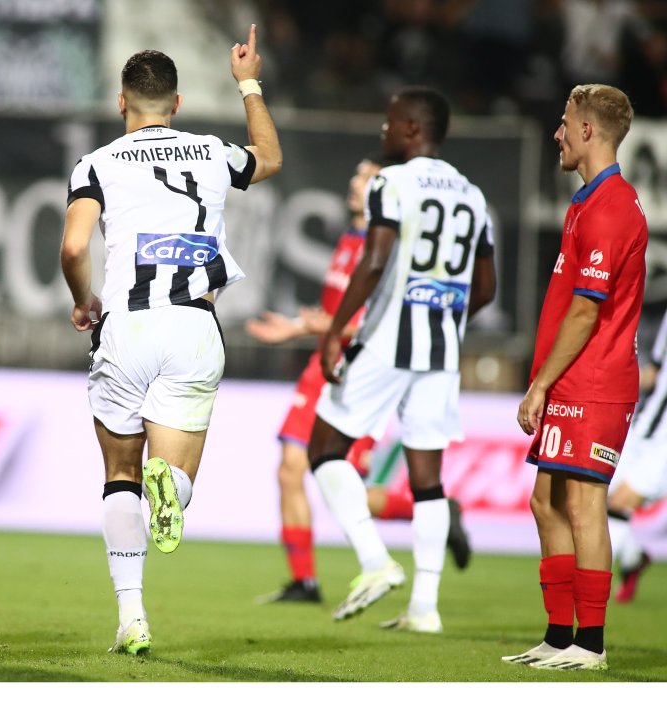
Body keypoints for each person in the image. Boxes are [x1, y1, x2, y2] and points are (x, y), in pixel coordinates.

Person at [60, 25, 282, 655]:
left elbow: (74, 246)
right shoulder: (211, 152)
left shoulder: (96, 163)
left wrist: (82, 299)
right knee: (173, 480)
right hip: (192, 324)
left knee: (119, 476)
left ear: (121, 101)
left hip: (125, 326)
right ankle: (173, 490)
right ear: (178, 104)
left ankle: (132, 618)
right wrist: (248, 82)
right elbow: (269, 159)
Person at [305, 86, 497, 633]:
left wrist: (336, 330)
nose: (384, 131)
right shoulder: (474, 196)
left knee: (324, 448)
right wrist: (446, 317)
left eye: (391, 122)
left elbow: (375, 259)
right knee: (427, 480)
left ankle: (374, 561)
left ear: (413, 128)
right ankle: (425, 609)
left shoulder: (391, 182)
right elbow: (486, 288)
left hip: (388, 340)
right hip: (442, 349)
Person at [248, 158, 472, 604]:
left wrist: (315, 327)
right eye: (355, 176)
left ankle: (434, 513)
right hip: (324, 362)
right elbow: (334, 313)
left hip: (362, 371)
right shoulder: (350, 239)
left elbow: (377, 321)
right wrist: (302, 326)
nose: (355, 184)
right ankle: (304, 581)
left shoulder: (387, 247)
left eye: (367, 178)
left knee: (346, 485)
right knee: (290, 469)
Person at [503, 84, 646, 672]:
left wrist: (539, 384)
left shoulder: (611, 207)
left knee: (584, 505)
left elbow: (587, 310)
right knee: (547, 502)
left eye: (565, 122)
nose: (557, 133)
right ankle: (559, 635)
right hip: (572, 380)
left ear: (588, 130)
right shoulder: (585, 203)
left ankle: (591, 643)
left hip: (596, 382)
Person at [607, 309, 667, 604]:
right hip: (642, 426)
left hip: (663, 444)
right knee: (601, 498)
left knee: (620, 502)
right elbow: (654, 366)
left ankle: (588, 585)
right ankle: (633, 559)